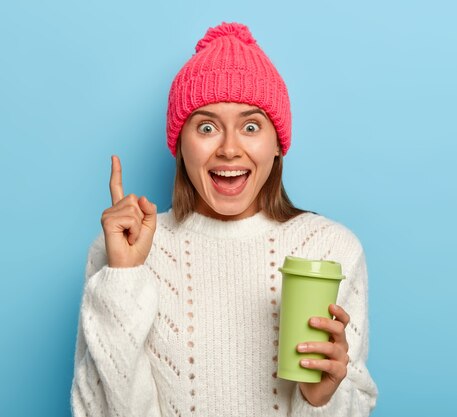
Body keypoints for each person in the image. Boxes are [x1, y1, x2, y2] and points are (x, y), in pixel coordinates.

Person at [70, 22, 378, 417]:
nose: (230, 149)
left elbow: (355, 401)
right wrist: (124, 277)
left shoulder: (331, 250)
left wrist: (319, 400)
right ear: (181, 144)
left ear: (278, 144)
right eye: (207, 127)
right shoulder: (122, 250)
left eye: (251, 126)